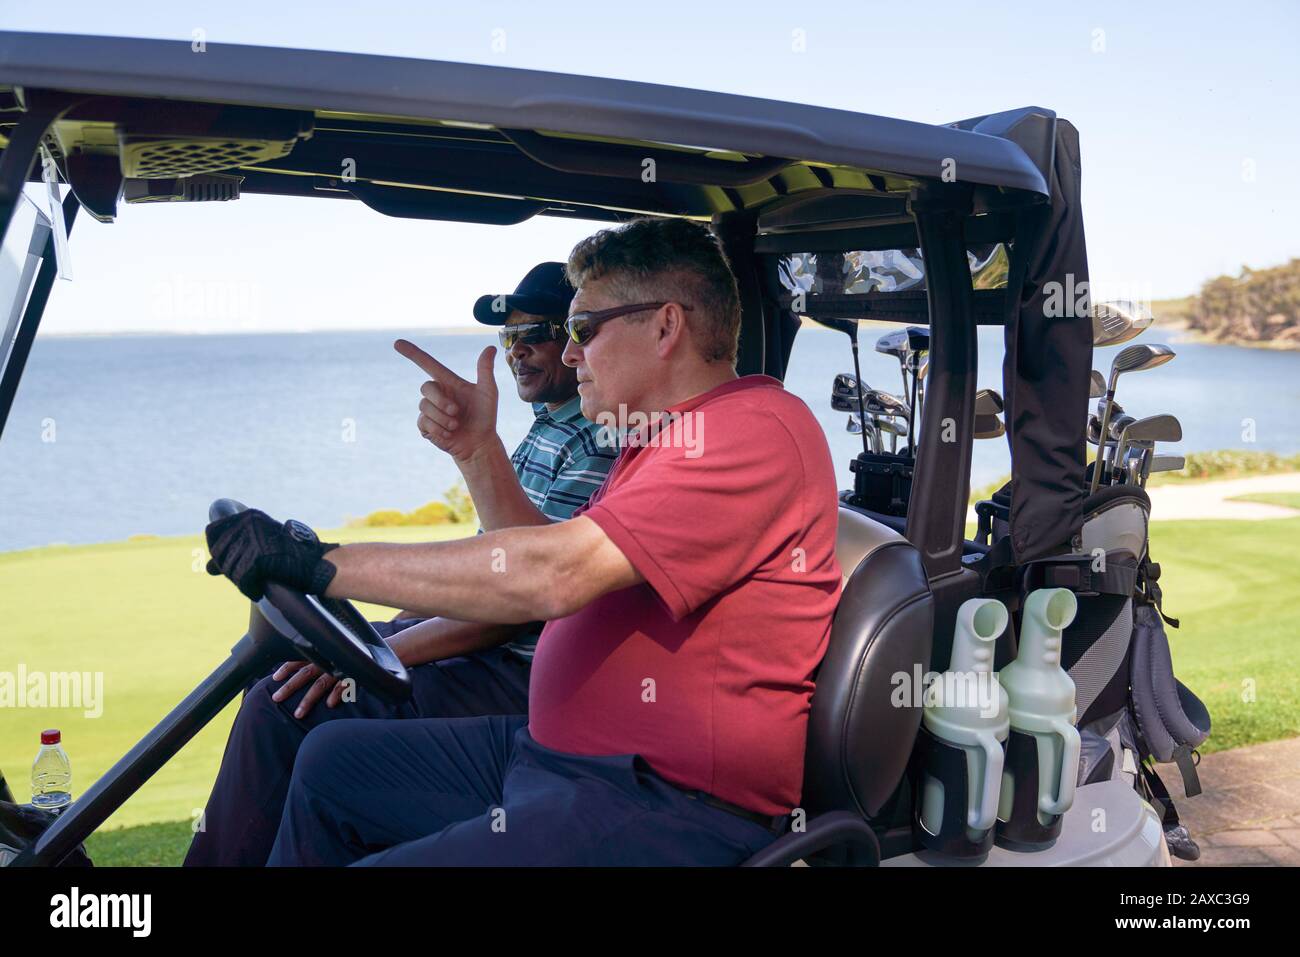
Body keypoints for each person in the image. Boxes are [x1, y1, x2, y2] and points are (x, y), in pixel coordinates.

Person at [204, 217, 842, 866]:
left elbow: (554, 574)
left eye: (583, 331)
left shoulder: (749, 432)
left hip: (667, 803)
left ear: (665, 325)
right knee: (327, 760)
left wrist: (319, 564)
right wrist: (478, 450)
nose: (569, 355)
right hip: (559, 758)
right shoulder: (662, 440)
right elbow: (544, 549)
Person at [184, 262, 615, 866]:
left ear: (577, 342)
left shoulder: (601, 445)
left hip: (524, 674)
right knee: (285, 674)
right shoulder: (545, 433)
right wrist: (378, 632)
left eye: (535, 333)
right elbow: (481, 571)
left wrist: (385, 652)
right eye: (507, 338)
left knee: (284, 709)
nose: (518, 352)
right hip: (491, 648)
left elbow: (515, 602)